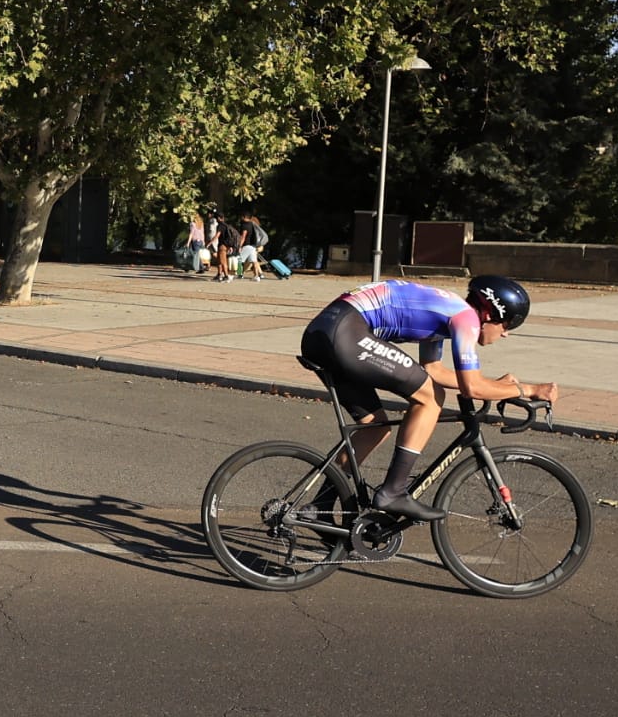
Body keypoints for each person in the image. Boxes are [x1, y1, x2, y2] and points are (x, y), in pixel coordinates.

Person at [299, 275, 557, 521]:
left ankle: (319, 505)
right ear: (489, 314)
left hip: (324, 333)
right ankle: (394, 492)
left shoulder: (449, 311)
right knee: (431, 398)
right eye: (507, 324)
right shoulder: (466, 318)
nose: (506, 334)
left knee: (373, 427)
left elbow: (434, 370)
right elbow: (471, 389)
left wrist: (492, 385)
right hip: (345, 333)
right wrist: (528, 389)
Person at [236, 213, 265, 280]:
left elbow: (243, 236)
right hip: (253, 246)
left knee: (239, 259)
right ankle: (256, 276)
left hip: (247, 245)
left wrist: (239, 246)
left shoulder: (245, 225)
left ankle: (240, 274)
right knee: (254, 261)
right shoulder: (253, 225)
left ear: (244, 217)